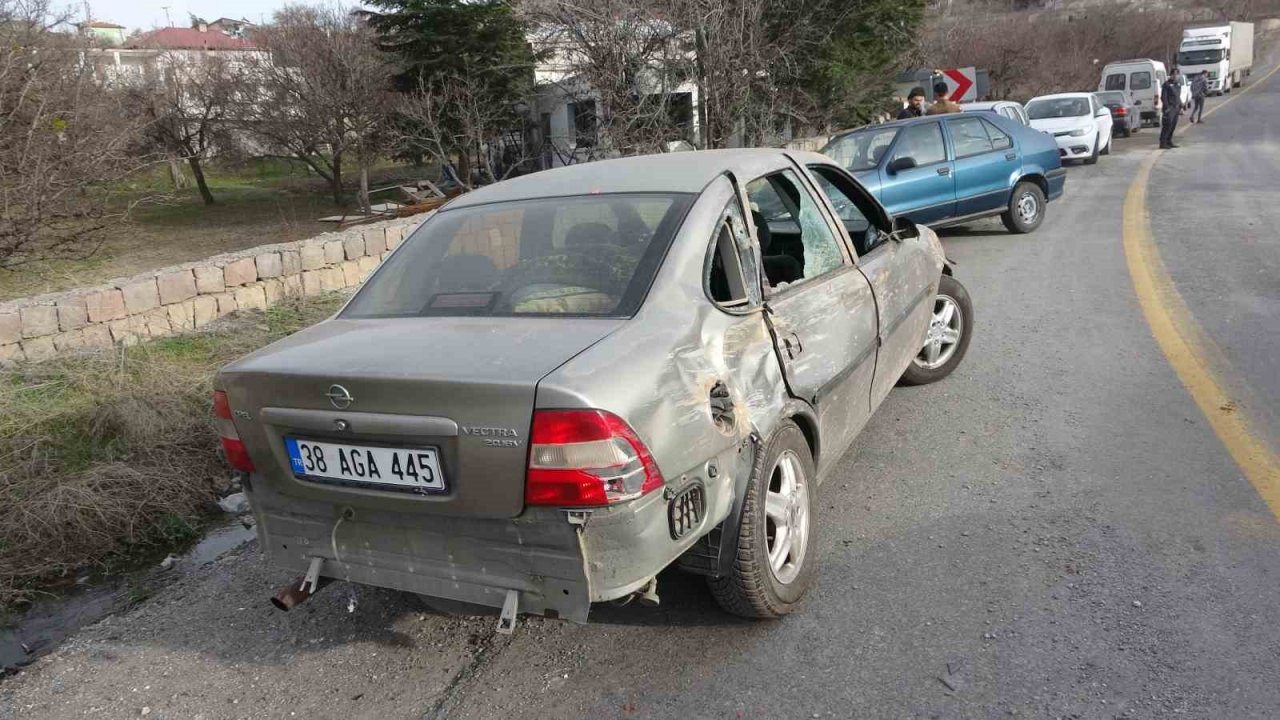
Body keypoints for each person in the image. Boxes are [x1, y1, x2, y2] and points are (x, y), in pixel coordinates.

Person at [1159, 69, 1182, 149]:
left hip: (1176, 108)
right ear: (1171, 75)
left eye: (1177, 74)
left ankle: (1169, 141)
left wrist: (1181, 106)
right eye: (1174, 74)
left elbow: (1178, 97)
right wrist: (1167, 107)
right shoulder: (1166, 84)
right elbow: (1163, 97)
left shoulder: (1178, 84)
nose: (1175, 76)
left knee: (1173, 126)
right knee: (1167, 126)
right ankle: (1163, 143)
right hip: (1169, 109)